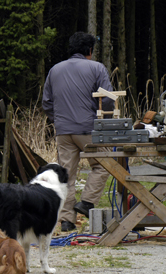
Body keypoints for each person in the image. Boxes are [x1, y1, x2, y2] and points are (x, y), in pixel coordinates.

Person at [42, 32, 113, 232]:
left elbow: (46, 103)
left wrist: (59, 120)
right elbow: (107, 99)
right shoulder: (97, 67)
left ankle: (66, 220)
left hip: (63, 132)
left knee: (67, 175)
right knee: (105, 164)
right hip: (88, 128)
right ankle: (87, 202)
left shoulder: (55, 70)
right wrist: (104, 122)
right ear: (89, 50)